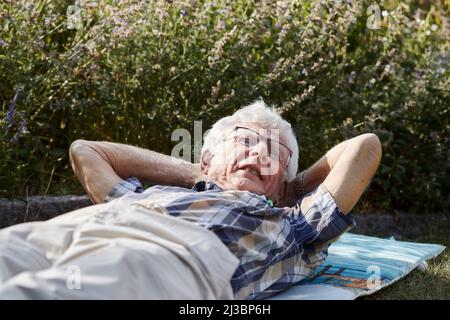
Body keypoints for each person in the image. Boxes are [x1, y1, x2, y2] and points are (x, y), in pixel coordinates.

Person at [0, 99, 382, 299]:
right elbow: (86, 151)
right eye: (245, 141)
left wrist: (290, 188)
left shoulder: (293, 225)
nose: (258, 155)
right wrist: (200, 174)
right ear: (207, 156)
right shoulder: (157, 193)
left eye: (273, 154)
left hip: (175, 256)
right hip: (82, 226)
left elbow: (364, 146)